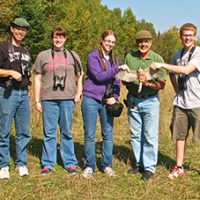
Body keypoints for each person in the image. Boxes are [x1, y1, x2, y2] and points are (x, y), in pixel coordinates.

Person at [150, 23, 200, 179]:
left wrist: (162, 64)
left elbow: (186, 70)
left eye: (190, 35)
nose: (187, 38)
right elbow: (172, 72)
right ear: (181, 36)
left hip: (197, 102)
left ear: (195, 36)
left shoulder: (198, 52)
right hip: (181, 102)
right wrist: (176, 88)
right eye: (185, 35)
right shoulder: (177, 55)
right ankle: (179, 167)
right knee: (179, 136)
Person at [34, 27, 83, 175]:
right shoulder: (43, 55)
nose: (58, 40)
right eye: (56, 37)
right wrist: (37, 100)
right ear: (52, 38)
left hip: (67, 99)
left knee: (67, 132)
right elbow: (37, 78)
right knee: (49, 132)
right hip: (49, 99)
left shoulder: (73, 55)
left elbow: (80, 75)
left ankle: (70, 163)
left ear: (65, 39)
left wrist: (79, 92)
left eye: (61, 37)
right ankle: (48, 164)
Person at [81, 30, 128, 178]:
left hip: (107, 101)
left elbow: (117, 80)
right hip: (91, 99)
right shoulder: (93, 56)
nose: (110, 44)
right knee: (89, 135)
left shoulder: (114, 59)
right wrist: (117, 69)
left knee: (108, 134)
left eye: (113, 42)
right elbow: (99, 77)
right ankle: (90, 166)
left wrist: (115, 96)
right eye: (107, 41)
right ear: (101, 40)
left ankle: (107, 165)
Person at [123, 30, 166, 181]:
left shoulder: (157, 59)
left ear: (151, 42)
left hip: (150, 101)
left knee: (149, 135)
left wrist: (146, 82)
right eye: (140, 41)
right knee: (135, 134)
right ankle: (139, 163)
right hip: (133, 100)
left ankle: (149, 167)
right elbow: (124, 80)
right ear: (137, 43)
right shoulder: (130, 57)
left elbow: (162, 84)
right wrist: (131, 78)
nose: (143, 44)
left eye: (146, 41)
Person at [0, 17, 31, 179]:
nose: (21, 32)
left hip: (24, 94)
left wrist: (28, 88)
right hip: (7, 93)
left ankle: (21, 163)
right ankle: (3, 164)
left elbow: (27, 73)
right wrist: (10, 72)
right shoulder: (4, 47)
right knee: (4, 130)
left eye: (24, 29)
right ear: (12, 29)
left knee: (24, 131)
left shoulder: (26, 50)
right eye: (18, 28)